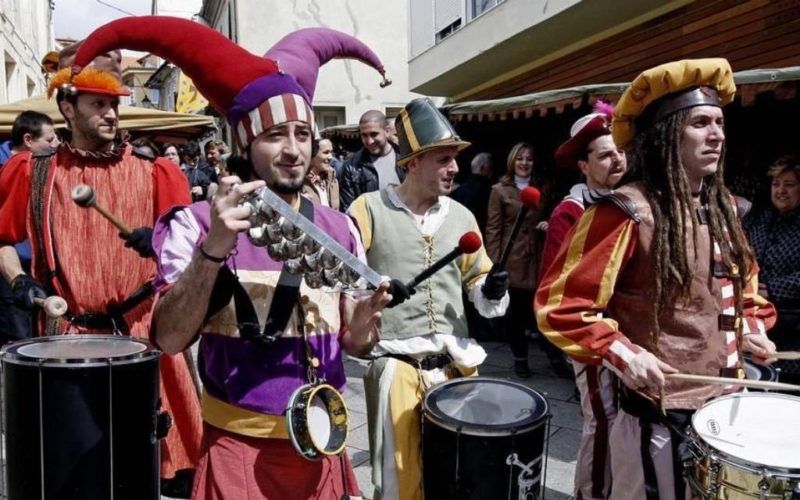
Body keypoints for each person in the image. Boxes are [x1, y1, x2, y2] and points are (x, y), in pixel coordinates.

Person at [74, 16, 394, 499]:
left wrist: (366, 327)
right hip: (237, 449)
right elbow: (169, 338)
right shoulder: (197, 224)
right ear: (245, 143)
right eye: (275, 136)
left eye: (302, 135)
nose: (292, 150)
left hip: (325, 442)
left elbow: (355, 343)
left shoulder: (340, 227)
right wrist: (212, 252)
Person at [535, 58, 777, 499]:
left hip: (724, 404)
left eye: (720, 122)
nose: (717, 134)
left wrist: (751, 331)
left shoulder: (725, 208)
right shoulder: (626, 211)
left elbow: (748, 295)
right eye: (700, 123)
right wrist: (629, 357)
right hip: (658, 414)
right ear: (668, 135)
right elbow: (561, 307)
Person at [0, 40, 202, 495]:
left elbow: (192, 260)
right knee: (73, 473)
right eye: (98, 104)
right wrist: (18, 277)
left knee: (153, 474)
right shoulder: (33, 172)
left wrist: (164, 245)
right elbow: (2, 241)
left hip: (146, 335)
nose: (111, 114)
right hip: (67, 342)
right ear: (68, 108)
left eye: (114, 104)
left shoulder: (156, 173)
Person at [348, 97, 510, 500]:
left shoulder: (461, 217)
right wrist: (380, 288)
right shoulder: (367, 209)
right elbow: (347, 285)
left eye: (454, 157)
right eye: (442, 158)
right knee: (399, 480)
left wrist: (491, 289)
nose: (454, 167)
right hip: (397, 367)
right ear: (412, 163)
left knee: (460, 478)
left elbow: (478, 277)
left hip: (456, 370)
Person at [542, 104, 627, 499]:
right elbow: (554, 288)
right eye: (606, 154)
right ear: (584, 166)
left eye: (620, 151)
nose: (617, 160)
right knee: (602, 420)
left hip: (631, 336)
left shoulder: (632, 201)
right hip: (590, 335)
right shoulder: (570, 212)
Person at [485, 142, 545, 378]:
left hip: (539, 256)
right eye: (520, 158)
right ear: (512, 161)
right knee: (517, 314)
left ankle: (553, 356)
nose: (524, 163)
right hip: (514, 259)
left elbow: (552, 211)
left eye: (529, 159)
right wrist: (493, 264)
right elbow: (493, 229)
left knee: (541, 310)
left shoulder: (544, 187)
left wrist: (548, 223)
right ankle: (520, 358)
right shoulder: (500, 190)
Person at [0, 110, 58, 345]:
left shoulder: (43, 167)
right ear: (28, 140)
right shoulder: (9, 167)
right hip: (9, 272)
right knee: (20, 341)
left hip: (39, 269)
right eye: (50, 139)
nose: (56, 144)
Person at [744, 155, 800, 382]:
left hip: (793, 330)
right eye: (776, 184)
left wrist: (772, 289)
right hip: (756, 324)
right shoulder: (756, 219)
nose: (781, 191)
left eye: (789, 185)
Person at [339, 110, 405, 211]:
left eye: (374, 134)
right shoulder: (351, 167)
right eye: (364, 135)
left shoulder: (407, 159)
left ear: (387, 131)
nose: (369, 141)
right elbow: (348, 210)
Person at [450, 151, 494, 232]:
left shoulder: (457, 190)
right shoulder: (491, 192)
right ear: (484, 167)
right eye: (491, 167)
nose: (492, 171)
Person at [301, 137, 340, 209]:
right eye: (326, 152)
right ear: (311, 154)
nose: (331, 157)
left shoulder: (332, 178)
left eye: (331, 152)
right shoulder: (299, 182)